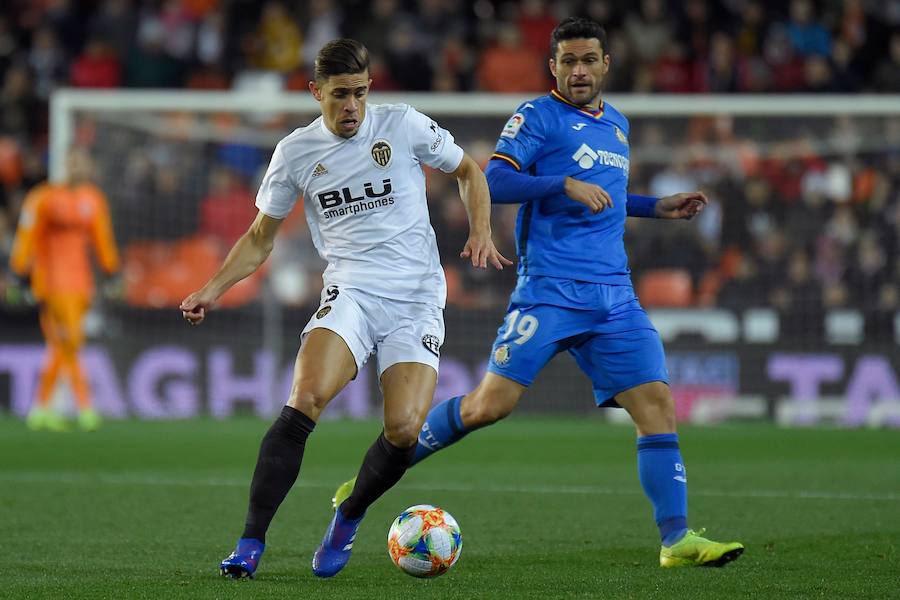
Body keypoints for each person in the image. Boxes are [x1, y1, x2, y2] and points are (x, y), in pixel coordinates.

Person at [333, 17, 744, 568]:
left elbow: (608, 195)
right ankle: (374, 475)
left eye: (588, 60)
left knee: (657, 409)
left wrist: (654, 207)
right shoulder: (536, 117)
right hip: (549, 290)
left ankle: (676, 540)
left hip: (614, 295)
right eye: (568, 61)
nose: (578, 71)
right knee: (487, 406)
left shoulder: (617, 124)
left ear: (606, 65)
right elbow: (493, 179)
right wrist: (560, 183)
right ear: (552, 66)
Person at [179, 38, 510, 579]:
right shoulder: (295, 152)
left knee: (404, 429)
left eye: (359, 93)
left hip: (416, 297)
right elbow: (261, 236)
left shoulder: (403, 125)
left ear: (370, 89)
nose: (351, 105)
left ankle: (348, 517)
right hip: (351, 290)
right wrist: (212, 288)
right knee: (304, 398)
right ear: (316, 93)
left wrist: (480, 230)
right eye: (339, 95)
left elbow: (470, 171)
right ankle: (249, 542)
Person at [9, 149, 120, 432]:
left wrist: (112, 270)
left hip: (81, 283)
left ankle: (40, 409)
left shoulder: (92, 198)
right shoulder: (43, 197)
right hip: (51, 282)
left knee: (61, 347)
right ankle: (86, 408)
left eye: (83, 161)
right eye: (74, 161)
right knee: (70, 342)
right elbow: (27, 235)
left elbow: (102, 238)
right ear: (64, 165)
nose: (79, 167)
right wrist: (19, 271)